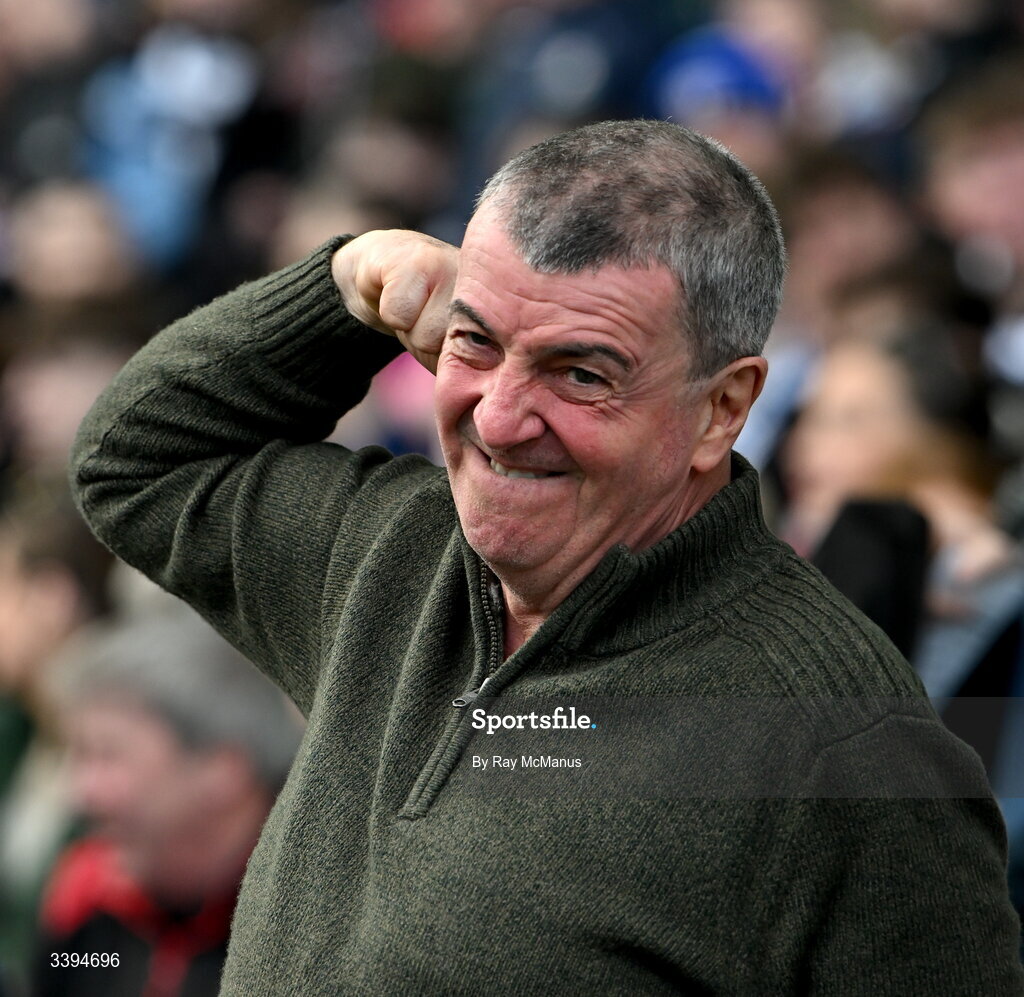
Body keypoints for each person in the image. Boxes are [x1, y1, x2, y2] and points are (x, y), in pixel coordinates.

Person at [69, 120, 1024, 994]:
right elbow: (135, 461)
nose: (498, 417)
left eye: (580, 372)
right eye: (474, 342)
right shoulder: (390, 550)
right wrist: (345, 289)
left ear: (723, 408)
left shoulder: (847, 753)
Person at [32, 608, 303, 997]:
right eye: (77, 755)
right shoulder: (87, 905)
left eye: (107, 754)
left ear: (223, 767)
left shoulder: (303, 928)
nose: (80, 792)